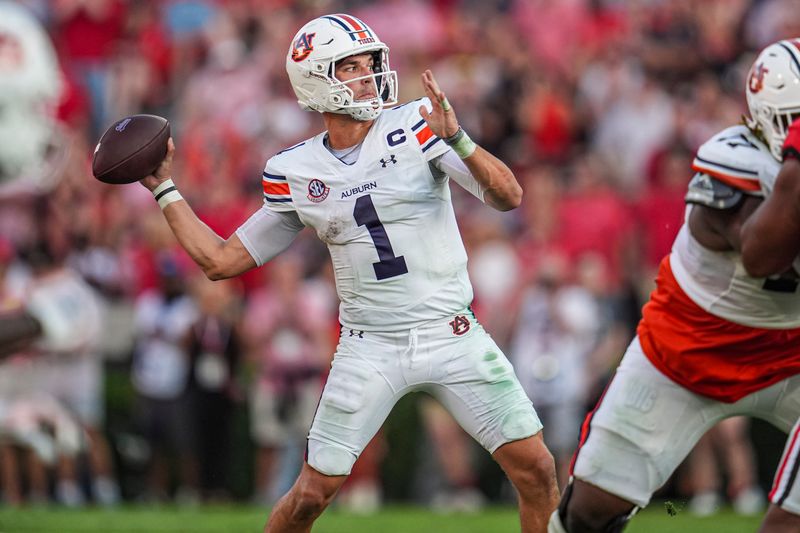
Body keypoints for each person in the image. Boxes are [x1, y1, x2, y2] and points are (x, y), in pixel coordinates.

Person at [139, 13, 558, 532]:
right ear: (316, 79)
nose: (368, 75)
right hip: (371, 345)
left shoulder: (418, 124)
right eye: (351, 66)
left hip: (453, 332)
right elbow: (221, 261)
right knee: (310, 496)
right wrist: (164, 188)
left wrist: (462, 142)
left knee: (537, 470)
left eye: (371, 63)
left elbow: (509, 197)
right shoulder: (294, 169)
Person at [549, 39, 800, 533]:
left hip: (793, 352)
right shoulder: (734, 159)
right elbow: (762, 255)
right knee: (588, 516)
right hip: (688, 351)